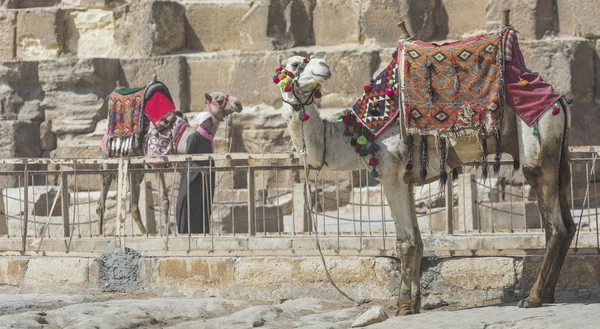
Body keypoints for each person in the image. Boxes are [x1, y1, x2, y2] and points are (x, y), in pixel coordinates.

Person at [176, 112, 216, 234]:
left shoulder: (208, 139)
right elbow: (187, 161)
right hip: (193, 180)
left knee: (203, 208)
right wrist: (200, 169)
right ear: (202, 123)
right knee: (189, 208)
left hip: (205, 180)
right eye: (208, 121)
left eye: (211, 121)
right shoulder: (193, 137)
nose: (211, 123)